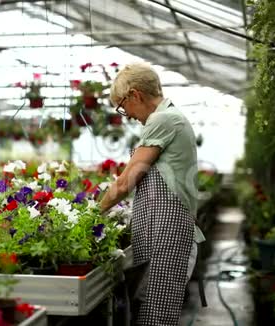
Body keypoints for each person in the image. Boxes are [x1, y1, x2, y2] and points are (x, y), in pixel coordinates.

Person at [99, 62, 205, 326]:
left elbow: (126, 182)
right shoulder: (168, 118)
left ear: (135, 94)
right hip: (159, 232)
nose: (128, 115)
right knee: (152, 312)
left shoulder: (163, 119)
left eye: (123, 106)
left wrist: (93, 213)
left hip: (166, 233)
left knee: (156, 317)